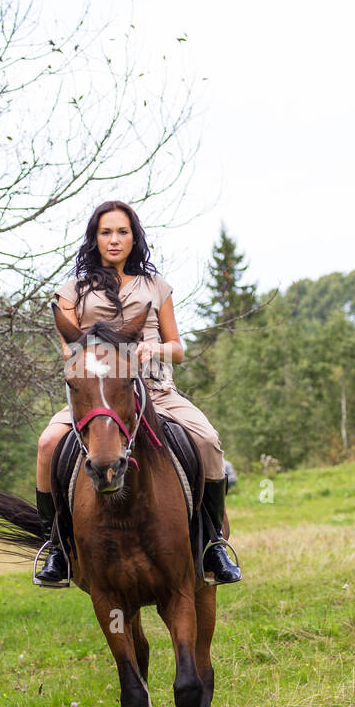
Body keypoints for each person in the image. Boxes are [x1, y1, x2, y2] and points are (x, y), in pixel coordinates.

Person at [33, 199, 242, 588]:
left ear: (134, 237)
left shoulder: (156, 287)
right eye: (106, 232)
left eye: (122, 232)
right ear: (95, 238)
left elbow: (178, 347)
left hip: (155, 389)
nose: (114, 239)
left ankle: (212, 542)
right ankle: (57, 547)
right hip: (95, 396)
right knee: (47, 444)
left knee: (208, 441)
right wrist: (111, 355)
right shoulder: (72, 291)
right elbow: (68, 349)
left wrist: (154, 349)